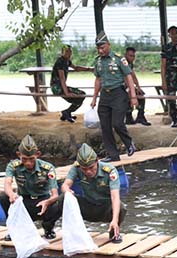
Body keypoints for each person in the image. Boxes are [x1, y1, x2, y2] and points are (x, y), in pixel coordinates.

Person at [60, 143, 126, 243]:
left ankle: (114, 231)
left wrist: (115, 220)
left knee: (121, 207)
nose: (88, 172)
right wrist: (67, 191)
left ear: (97, 161)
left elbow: (115, 196)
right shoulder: (76, 168)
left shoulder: (109, 171)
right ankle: (50, 229)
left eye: (91, 168)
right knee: (62, 199)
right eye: (84, 169)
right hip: (88, 205)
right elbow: (65, 185)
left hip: (104, 208)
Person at [0, 135, 61, 240]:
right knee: (3, 196)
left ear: (37, 155)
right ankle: (14, 230)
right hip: (24, 202)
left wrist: (48, 202)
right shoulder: (13, 166)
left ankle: (48, 229)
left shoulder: (47, 168)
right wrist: (11, 195)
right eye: (24, 159)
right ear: (18, 155)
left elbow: (55, 194)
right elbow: (7, 184)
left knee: (58, 203)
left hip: (43, 202)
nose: (28, 163)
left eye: (31, 159)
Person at [90, 31, 136, 162]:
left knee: (117, 123)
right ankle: (112, 155)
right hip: (105, 95)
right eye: (98, 48)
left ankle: (129, 143)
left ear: (108, 45)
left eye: (102, 47)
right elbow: (98, 79)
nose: (100, 50)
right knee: (105, 126)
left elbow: (128, 76)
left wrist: (133, 96)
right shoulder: (98, 61)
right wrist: (94, 98)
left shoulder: (118, 59)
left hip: (118, 94)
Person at [50, 44, 92, 123]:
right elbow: (62, 78)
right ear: (62, 52)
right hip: (56, 87)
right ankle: (67, 112)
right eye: (67, 51)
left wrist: (89, 69)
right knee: (81, 95)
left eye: (70, 51)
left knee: (81, 95)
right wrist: (67, 92)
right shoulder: (60, 61)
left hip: (61, 86)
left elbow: (76, 68)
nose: (69, 53)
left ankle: (66, 113)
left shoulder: (67, 61)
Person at [123, 47, 151, 126]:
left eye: (133, 56)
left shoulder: (130, 64)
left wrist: (138, 87)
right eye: (130, 56)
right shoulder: (123, 63)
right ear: (125, 55)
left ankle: (140, 116)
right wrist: (131, 89)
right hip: (120, 86)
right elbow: (125, 78)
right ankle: (128, 116)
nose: (132, 58)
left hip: (127, 85)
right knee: (131, 94)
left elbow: (133, 76)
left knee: (140, 94)